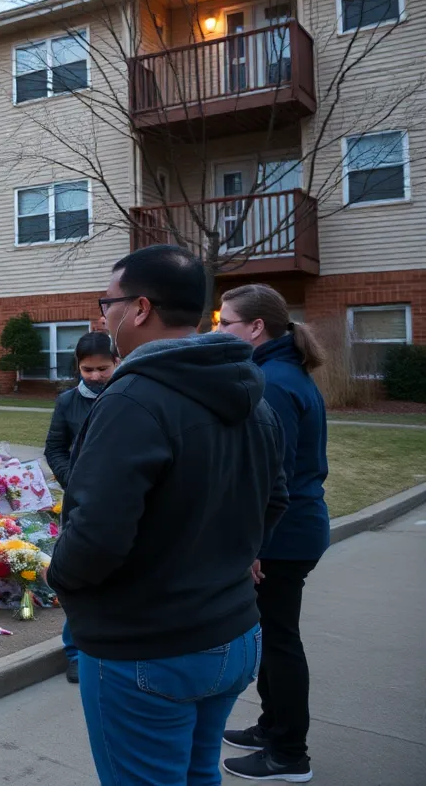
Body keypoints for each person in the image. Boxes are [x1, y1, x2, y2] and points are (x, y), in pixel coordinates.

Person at [46, 245, 288, 786]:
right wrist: (239, 555)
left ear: (140, 309)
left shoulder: (134, 400)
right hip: (233, 636)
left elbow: (97, 534)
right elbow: (275, 499)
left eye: (108, 301)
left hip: (148, 650)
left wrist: (59, 579)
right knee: (199, 775)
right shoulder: (251, 392)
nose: (103, 314)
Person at [217, 284, 329, 783]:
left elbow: (270, 475)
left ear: (256, 328)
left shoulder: (274, 382)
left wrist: (255, 544)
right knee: (271, 637)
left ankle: (289, 755)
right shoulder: (282, 372)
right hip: (291, 531)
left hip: (283, 537)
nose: (217, 331)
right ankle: (271, 726)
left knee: (280, 642)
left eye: (226, 323)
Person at [44, 331, 118, 684]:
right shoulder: (68, 402)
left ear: (116, 362)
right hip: (80, 503)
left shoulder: (127, 396)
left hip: (120, 499)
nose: (95, 377)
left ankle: (114, 644)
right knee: (77, 578)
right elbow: (54, 447)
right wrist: (72, 479)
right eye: (88, 370)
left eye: (102, 368)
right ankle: (75, 652)